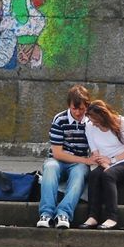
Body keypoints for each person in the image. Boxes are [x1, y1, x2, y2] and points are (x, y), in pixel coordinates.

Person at [37, 84, 96, 229]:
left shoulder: (91, 121)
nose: (77, 112)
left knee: (79, 172)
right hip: (58, 160)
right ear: (69, 106)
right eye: (74, 108)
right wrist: (86, 160)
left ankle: (63, 213)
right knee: (50, 167)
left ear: (87, 106)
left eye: (81, 109)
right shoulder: (60, 119)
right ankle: (46, 213)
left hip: (79, 164)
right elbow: (57, 153)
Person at [79, 100, 124, 230]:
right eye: (91, 121)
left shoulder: (122, 123)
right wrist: (100, 161)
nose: (93, 124)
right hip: (106, 162)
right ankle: (93, 216)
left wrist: (112, 161)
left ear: (104, 117)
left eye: (96, 121)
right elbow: (94, 149)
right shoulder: (89, 126)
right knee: (94, 175)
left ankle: (112, 217)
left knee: (108, 175)